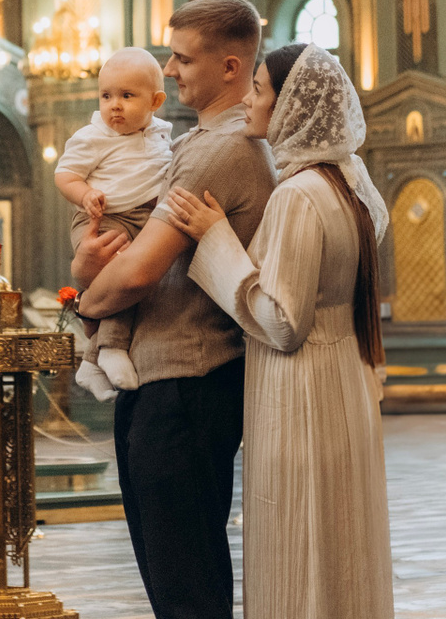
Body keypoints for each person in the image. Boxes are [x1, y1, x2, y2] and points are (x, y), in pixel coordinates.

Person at [164, 42, 393, 619]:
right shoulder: (347, 184)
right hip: (344, 383)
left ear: (292, 106)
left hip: (302, 392)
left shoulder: (297, 195)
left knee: (299, 543)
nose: (248, 100)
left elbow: (284, 322)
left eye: (260, 90)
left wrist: (216, 238)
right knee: (340, 546)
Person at [75, 0, 276, 619]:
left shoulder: (222, 148)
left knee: (184, 584)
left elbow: (137, 272)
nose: (168, 69)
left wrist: (84, 303)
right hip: (170, 380)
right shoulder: (198, 141)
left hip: (187, 383)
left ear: (231, 66)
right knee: (176, 577)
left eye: (183, 59)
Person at [54, 47, 174, 400]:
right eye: (106, 96)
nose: (114, 106)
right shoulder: (93, 137)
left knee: (139, 280)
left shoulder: (162, 134)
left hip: (143, 218)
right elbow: (65, 175)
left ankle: (92, 362)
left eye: (127, 96)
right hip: (102, 218)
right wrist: (86, 194)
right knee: (123, 278)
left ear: (155, 101)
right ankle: (110, 348)